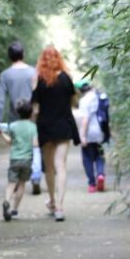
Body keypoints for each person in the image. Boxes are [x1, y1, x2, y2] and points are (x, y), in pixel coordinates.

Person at [31, 46, 80, 221]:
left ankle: (52, 200)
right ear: (59, 58)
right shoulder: (66, 79)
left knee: (49, 168)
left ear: (42, 60)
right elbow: (74, 103)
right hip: (63, 126)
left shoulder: (39, 79)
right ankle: (59, 206)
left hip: (45, 126)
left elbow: (35, 109)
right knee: (61, 166)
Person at [0, 41, 42, 195]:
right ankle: (35, 176)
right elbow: (40, 96)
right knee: (35, 146)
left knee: (17, 146)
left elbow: (0, 101)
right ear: (23, 55)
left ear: (9, 57)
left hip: (15, 118)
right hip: (33, 116)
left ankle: (16, 178)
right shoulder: (34, 72)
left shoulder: (5, 75)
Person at [0, 99, 38, 222]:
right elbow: (35, 144)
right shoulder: (33, 126)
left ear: (18, 113)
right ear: (30, 113)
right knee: (22, 184)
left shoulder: (13, 126)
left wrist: (1, 134)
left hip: (14, 159)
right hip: (27, 159)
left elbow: (10, 141)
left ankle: (6, 201)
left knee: (11, 183)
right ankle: (15, 210)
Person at [76, 79, 107, 192]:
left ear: (80, 90)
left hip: (88, 133)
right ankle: (100, 175)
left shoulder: (83, 101)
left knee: (87, 159)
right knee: (99, 156)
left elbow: (85, 119)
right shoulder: (99, 97)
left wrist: (82, 136)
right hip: (100, 132)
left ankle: (92, 184)